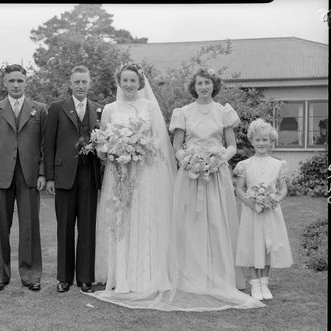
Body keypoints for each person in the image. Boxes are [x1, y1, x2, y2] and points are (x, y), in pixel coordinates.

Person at [166, 67, 265, 311]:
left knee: (216, 221)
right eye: (199, 83)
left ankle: (219, 274)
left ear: (214, 85)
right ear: (194, 86)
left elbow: (231, 145)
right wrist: (188, 160)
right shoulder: (184, 112)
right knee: (191, 220)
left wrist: (217, 159)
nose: (203, 87)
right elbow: (177, 145)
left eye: (207, 83)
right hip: (190, 174)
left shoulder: (223, 111)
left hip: (216, 173)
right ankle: (191, 274)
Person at [86, 62, 178, 308]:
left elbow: (158, 142)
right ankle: (121, 276)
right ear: (119, 82)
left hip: (145, 172)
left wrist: (139, 146)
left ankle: (146, 274)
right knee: (120, 221)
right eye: (124, 80)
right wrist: (112, 150)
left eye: (132, 81)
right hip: (118, 173)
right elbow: (103, 141)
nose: (128, 85)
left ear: (140, 83)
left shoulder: (149, 107)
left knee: (143, 218)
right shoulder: (109, 108)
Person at [0, 64, 47, 292]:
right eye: (11, 81)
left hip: (28, 175)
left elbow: (45, 146)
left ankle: (31, 275)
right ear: (4, 83)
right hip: (0, 175)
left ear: (26, 82)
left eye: (19, 80)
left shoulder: (39, 109)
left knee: (30, 226)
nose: (15, 85)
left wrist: (42, 172)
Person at [44, 65, 103, 293]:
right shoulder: (57, 108)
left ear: (90, 83)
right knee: (65, 227)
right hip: (64, 176)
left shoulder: (98, 110)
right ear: (70, 83)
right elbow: (48, 145)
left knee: (88, 227)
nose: (80, 86)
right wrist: (49, 177)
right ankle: (64, 277)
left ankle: (85, 278)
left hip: (89, 174)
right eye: (77, 82)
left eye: (84, 82)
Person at [233, 118, 293, 300]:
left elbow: (283, 189)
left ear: (271, 141)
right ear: (252, 141)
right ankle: (255, 283)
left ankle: (265, 282)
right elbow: (239, 189)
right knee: (253, 245)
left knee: (268, 245)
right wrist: (250, 202)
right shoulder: (245, 165)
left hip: (270, 212)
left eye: (265, 140)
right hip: (251, 212)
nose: (261, 143)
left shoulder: (277, 164)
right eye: (258, 140)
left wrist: (274, 200)